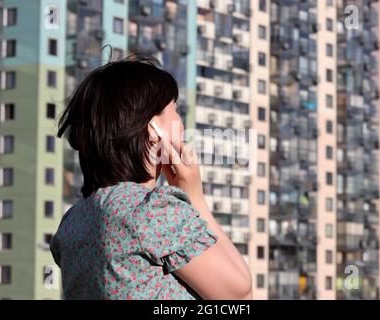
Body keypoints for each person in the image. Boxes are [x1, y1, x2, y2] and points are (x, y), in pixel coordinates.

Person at [50, 54, 252, 300]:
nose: (182, 123)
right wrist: (195, 199)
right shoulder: (148, 210)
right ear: (153, 130)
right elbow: (239, 294)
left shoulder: (73, 220)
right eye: (175, 111)